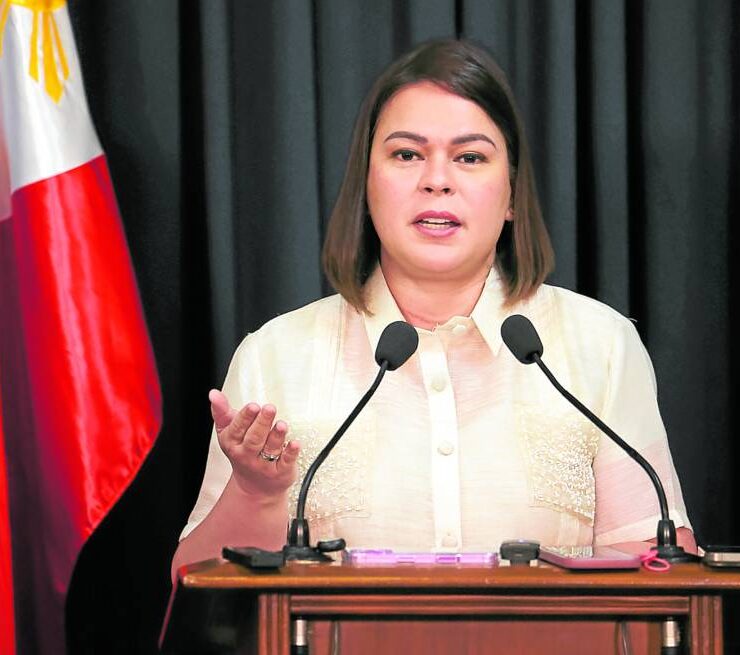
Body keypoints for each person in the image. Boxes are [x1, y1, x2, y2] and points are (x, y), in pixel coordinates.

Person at [172, 39, 695, 578]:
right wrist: (256, 496)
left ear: (513, 193)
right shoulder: (276, 356)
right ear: (365, 184)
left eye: (470, 157)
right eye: (406, 155)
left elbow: (659, 572)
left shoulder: (599, 344)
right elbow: (198, 586)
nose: (437, 180)